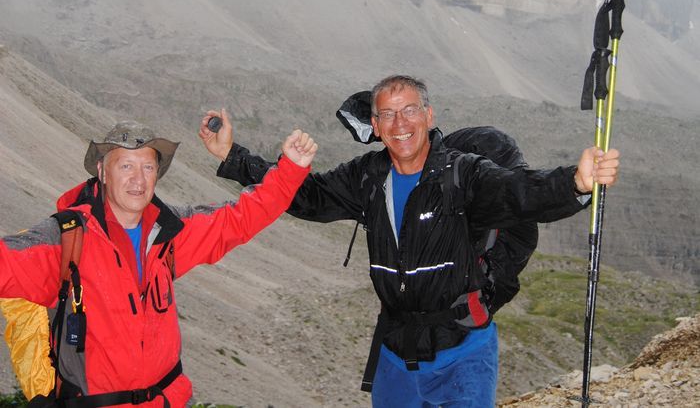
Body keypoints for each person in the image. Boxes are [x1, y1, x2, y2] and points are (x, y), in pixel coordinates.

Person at [201, 75, 620, 408]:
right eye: (388, 115)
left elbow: (515, 191)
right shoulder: (366, 175)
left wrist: (575, 182)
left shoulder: (463, 173)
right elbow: (307, 196)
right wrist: (232, 157)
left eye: (409, 111)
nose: (400, 124)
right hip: (396, 353)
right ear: (376, 127)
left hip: (463, 352)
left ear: (429, 115)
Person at [0, 119, 317, 407]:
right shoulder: (66, 240)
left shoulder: (170, 231)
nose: (138, 180)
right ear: (101, 171)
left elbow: (240, 219)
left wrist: (291, 169)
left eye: (148, 167)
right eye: (125, 166)